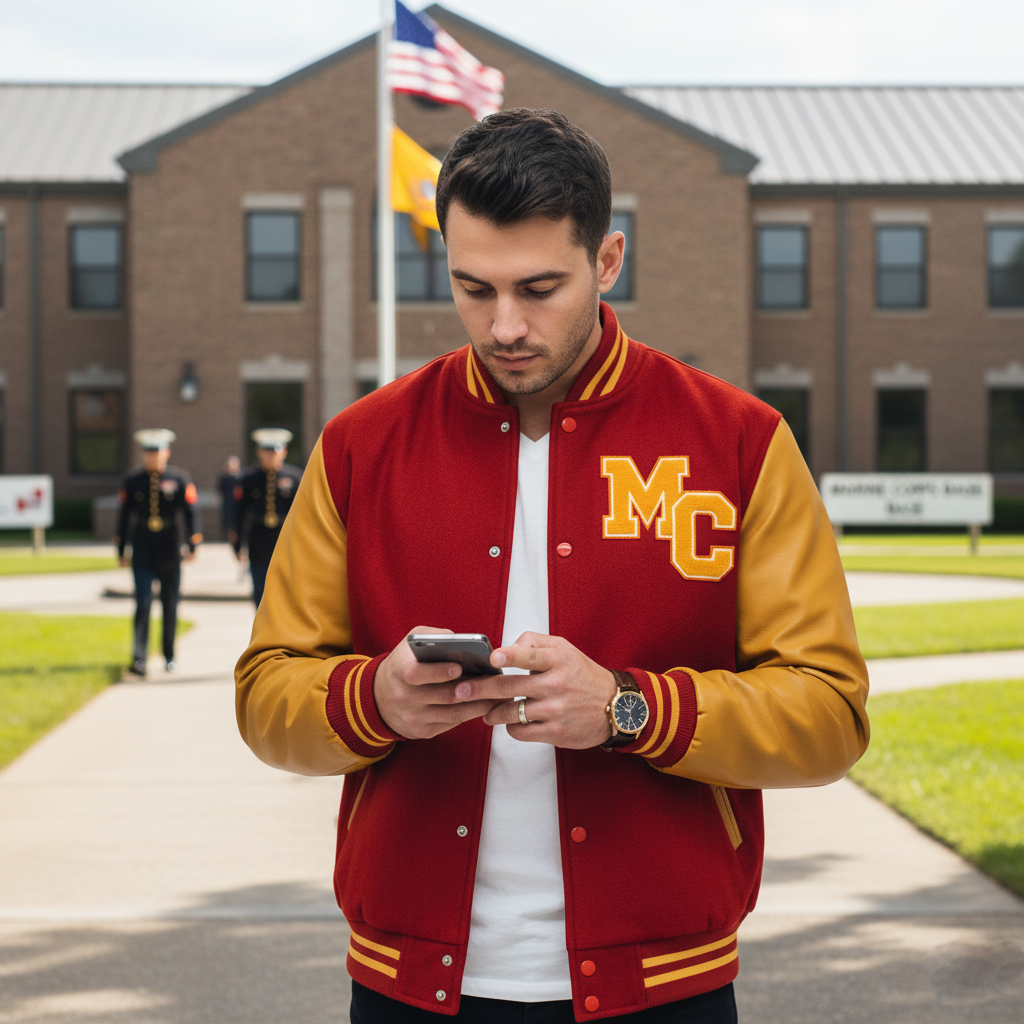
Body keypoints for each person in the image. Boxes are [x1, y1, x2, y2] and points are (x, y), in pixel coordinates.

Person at [236, 109, 869, 1022]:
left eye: (540, 287)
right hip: (408, 983)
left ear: (608, 261)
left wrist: (626, 706)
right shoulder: (358, 448)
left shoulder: (739, 442)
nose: (505, 326)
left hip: (663, 984)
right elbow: (266, 697)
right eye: (472, 287)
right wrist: (375, 699)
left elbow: (828, 713)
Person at [115, 428, 202, 676]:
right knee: (142, 602)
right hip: (142, 548)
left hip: (170, 548)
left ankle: (169, 655)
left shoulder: (179, 478)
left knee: (170, 603)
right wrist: (121, 547)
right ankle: (139, 658)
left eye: (158, 452)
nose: (153, 457)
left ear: (167, 452)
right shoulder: (133, 481)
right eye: (149, 452)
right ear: (143, 454)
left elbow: (190, 512)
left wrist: (193, 542)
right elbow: (124, 517)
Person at [231, 429, 302, 606]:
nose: (271, 456)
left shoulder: (295, 477)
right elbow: (240, 513)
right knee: (260, 594)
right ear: (259, 452)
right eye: (267, 452)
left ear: (284, 452)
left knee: (287, 596)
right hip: (258, 541)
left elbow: (302, 514)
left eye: (275, 452)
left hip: (285, 541)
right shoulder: (248, 479)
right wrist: (238, 544)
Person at [218, 455, 242, 537]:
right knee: (228, 521)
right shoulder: (224, 478)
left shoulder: (241, 477)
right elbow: (220, 490)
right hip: (227, 502)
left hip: (238, 503)